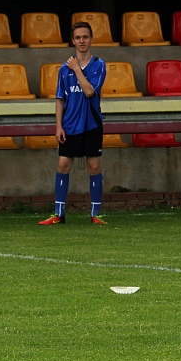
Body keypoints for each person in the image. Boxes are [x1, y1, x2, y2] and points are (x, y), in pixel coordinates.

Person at [38, 21, 108, 226]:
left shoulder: (99, 65)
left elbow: (89, 92)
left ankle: (96, 214)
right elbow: (60, 98)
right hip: (69, 124)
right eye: (78, 37)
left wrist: (77, 69)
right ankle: (59, 214)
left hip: (92, 123)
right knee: (63, 165)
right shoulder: (63, 70)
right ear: (73, 40)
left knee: (94, 167)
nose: (82, 41)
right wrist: (58, 126)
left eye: (85, 37)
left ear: (91, 39)